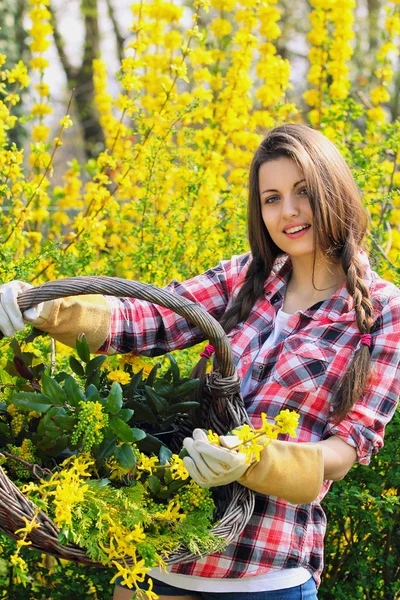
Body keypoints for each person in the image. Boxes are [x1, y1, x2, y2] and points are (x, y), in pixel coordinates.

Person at [0, 124, 399, 600]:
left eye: (303, 192)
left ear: (334, 190)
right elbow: (147, 318)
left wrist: (254, 461)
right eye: (271, 199)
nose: (287, 212)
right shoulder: (244, 275)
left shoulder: (382, 311)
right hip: (160, 561)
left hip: (265, 573)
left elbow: (344, 453)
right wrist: (48, 308)